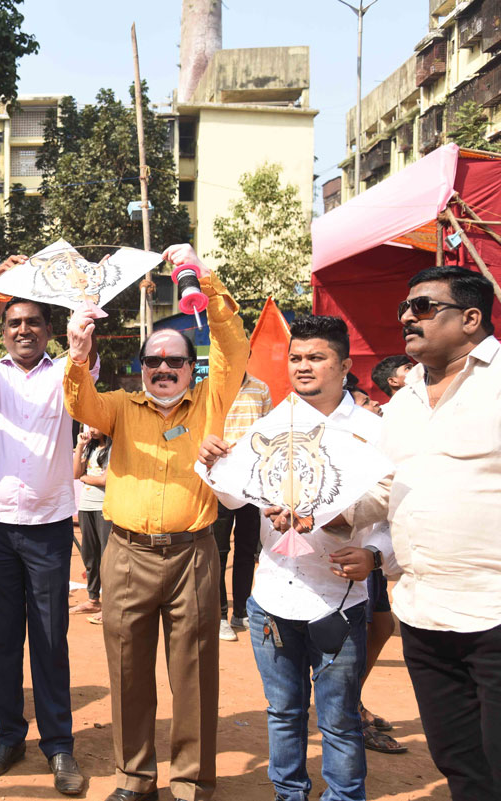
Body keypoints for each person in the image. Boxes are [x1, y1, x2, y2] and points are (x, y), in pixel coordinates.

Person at [62, 244, 249, 801]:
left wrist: (204, 279)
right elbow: (80, 405)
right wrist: (77, 350)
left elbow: (233, 344)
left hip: (194, 554)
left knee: (193, 673)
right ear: (140, 367)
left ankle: (191, 781)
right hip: (125, 555)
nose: (164, 369)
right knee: (127, 671)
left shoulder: (211, 402)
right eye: (154, 362)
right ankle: (134, 778)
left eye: (176, 362)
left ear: (193, 369)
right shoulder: (118, 406)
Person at [198, 315, 396, 801]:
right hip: (272, 595)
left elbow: (397, 511)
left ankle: (345, 796)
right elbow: (230, 499)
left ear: (345, 365)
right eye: (296, 358)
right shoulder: (268, 426)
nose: (303, 367)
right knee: (284, 712)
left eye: (317, 357)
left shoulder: (376, 432)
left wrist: (370, 551)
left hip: (339, 598)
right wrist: (210, 461)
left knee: (339, 716)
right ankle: (289, 794)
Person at [343, 266, 501, 800]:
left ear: (472, 318)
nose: (407, 317)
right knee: (459, 759)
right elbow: (384, 489)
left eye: (424, 307)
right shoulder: (404, 402)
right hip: (422, 613)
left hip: (495, 611)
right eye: (404, 310)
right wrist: (319, 513)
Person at [0, 255, 97, 795]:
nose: (23, 330)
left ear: (47, 330)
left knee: (49, 638)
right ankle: (9, 735)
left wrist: (81, 334)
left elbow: (83, 362)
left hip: (46, 525)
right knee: (1, 638)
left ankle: (59, 746)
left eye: (32, 322)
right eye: (14, 322)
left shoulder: (67, 374)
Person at [344, 380, 406, 755]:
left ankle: (354, 702)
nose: (377, 407)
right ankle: (350, 712)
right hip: (353, 556)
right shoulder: (348, 441)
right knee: (363, 631)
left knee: (382, 624)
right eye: (367, 402)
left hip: (375, 553)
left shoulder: (383, 441)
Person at [213, 372, 272, 642]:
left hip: (251, 480)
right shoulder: (210, 387)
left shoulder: (260, 388)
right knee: (218, 550)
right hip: (218, 479)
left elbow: (269, 432)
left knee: (247, 549)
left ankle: (241, 612)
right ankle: (219, 615)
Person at [73, 426, 110, 626]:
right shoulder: (90, 448)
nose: (92, 429)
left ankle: (110, 606)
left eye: (97, 425)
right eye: (89, 426)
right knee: (90, 555)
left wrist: (85, 478)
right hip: (86, 507)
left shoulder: (113, 449)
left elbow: (105, 480)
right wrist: (80, 446)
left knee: (107, 557)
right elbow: (75, 472)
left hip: (105, 509)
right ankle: (93, 599)